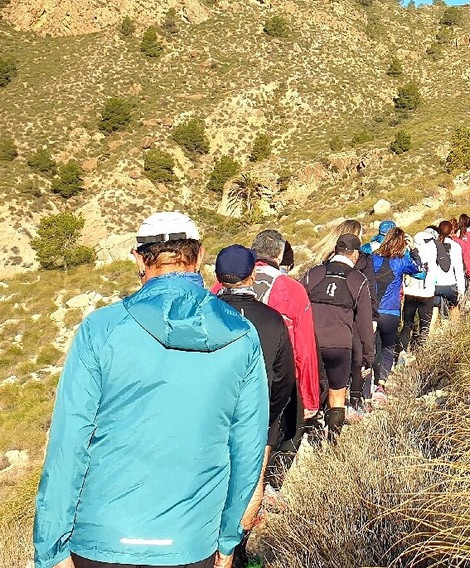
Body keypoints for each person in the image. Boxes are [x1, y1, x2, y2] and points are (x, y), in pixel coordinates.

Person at [34, 212, 268, 568]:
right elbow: (247, 448)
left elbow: (69, 443)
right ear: (201, 255)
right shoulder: (242, 335)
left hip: (101, 539)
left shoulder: (101, 329)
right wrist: (228, 539)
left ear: (139, 258)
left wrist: (51, 549)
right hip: (192, 541)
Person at [213, 245, 295, 566]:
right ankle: (237, 552)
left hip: (212, 420)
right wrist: (268, 416)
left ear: (218, 278)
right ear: (253, 276)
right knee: (248, 491)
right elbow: (285, 378)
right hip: (259, 423)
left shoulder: (206, 316)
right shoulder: (273, 320)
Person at [301, 234, 373, 442]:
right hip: (340, 345)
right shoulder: (357, 280)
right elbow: (364, 323)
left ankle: (306, 432)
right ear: (355, 254)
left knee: (309, 388)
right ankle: (333, 441)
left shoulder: (314, 273)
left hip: (311, 342)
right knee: (337, 393)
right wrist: (368, 355)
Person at [250, 230, 320, 422]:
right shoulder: (293, 289)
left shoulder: (224, 285)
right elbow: (305, 349)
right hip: (278, 379)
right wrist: (310, 399)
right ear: (280, 256)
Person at [369, 228, 422, 401]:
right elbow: (419, 271)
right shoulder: (401, 261)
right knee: (388, 348)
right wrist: (413, 249)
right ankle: (381, 385)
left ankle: (365, 385)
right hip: (390, 311)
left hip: (371, 310)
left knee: (372, 348)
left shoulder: (373, 258)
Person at [401, 226, 438, 349]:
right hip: (427, 291)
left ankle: (403, 349)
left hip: (410, 290)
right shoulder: (434, 247)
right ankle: (421, 350)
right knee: (425, 324)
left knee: (407, 324)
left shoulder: (410, 248)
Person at [430, 219, 466, 323]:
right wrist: (461, 290)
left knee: (434, 309)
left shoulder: (433, 244)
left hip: (434, 285)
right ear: (451, 231)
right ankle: (453, 331)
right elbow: (458, 269)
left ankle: (430, 333)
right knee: (454, 307)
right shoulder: (455, 246)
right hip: (450, 284)